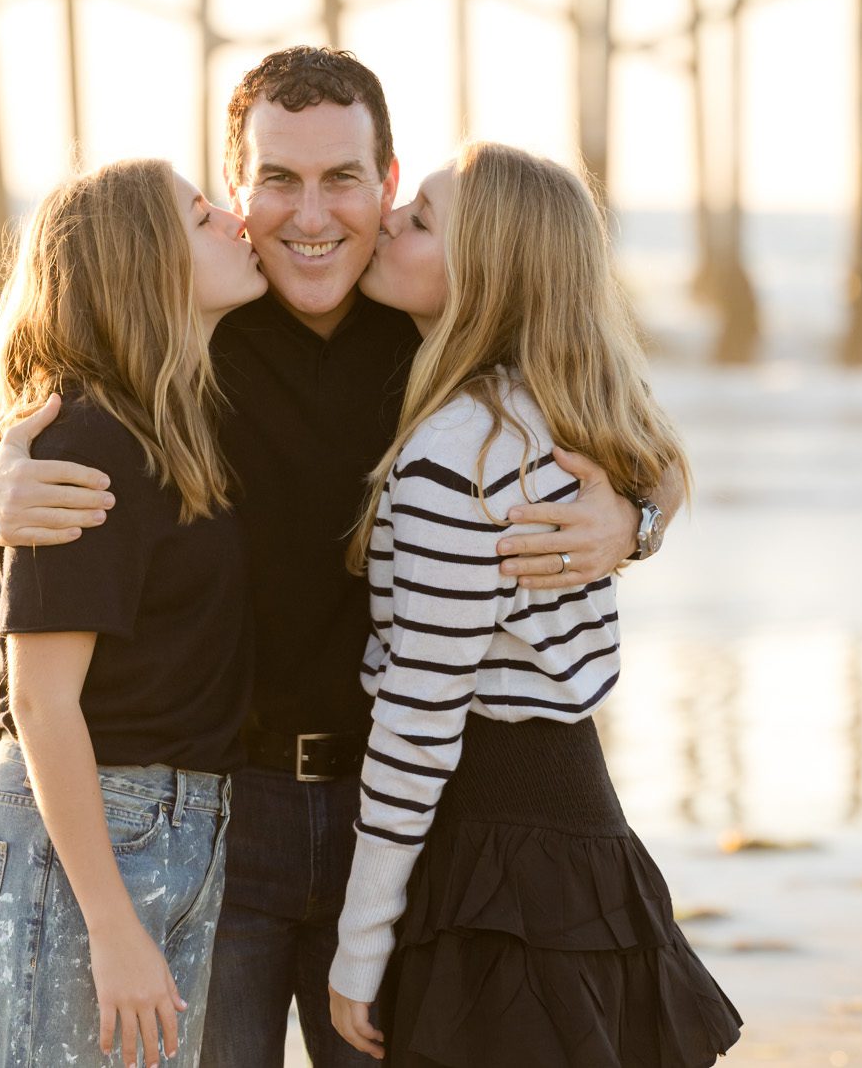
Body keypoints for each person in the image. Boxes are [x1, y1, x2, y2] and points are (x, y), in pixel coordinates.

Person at [0, 47, 686, 1067]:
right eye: (276, 179)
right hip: (217, 820)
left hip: (407, 812)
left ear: (387, 183)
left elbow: (629, 435)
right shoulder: (186, 332)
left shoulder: (438, 320)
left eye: (342, 179)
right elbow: (30, 423)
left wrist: (633, 516)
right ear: (233, 190)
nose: (311, 213)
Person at [327, 142, 745, 1066]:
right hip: (578, 829)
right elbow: (663, 460)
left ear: (488, 272)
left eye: (423, 219)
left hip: (491, 846)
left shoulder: (457, 455)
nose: (390, 220)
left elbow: (421, 713)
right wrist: (639, 519)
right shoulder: (566, 414)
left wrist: (361, 942)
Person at [0, 158, 267, 1068]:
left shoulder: (177, 416)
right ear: (145, 261)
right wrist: (113, 924)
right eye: (204, 217)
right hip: (76, 850)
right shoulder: (85, 440)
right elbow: (44, 703)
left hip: (174, 830)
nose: (237, 221)